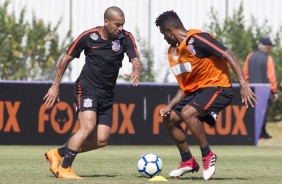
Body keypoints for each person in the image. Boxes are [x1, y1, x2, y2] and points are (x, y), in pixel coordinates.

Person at [155, 11, 257, 180]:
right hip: (198, 92)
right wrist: (170, 105)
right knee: (170, 118)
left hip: (219, 88)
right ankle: (188, 161)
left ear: (170, 30)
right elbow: (185, 86)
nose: (164, 38)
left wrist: (243, 84)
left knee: (188, 113)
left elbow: (229, 55)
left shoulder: (197, 39)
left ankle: (208, 155)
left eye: (163, 34)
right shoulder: (175, 52)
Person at [43, 6, 142, 179]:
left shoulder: (125, 37)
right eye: (117, 24)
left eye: (122, 24)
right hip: (87, 87)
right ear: (106, 22)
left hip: (107, 93)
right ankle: (64, 169)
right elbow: (66, 58)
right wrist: (55, 85)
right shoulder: (88, 37)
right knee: (88, 126)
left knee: (103, 139)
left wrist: (136, 70)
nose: (120, 28)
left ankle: (57, 154)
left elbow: (135, 60)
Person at [243, 37, 279, 139]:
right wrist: (275, 91)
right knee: (263, 112)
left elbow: (245, 74)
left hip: (251, 89)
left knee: (252, 112)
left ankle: (253, 132)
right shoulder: (268, 59)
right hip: (264, 90)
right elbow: (271, 76)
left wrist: (245, 87)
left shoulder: (250, 56)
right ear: (266, 47)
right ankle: (261, 133)